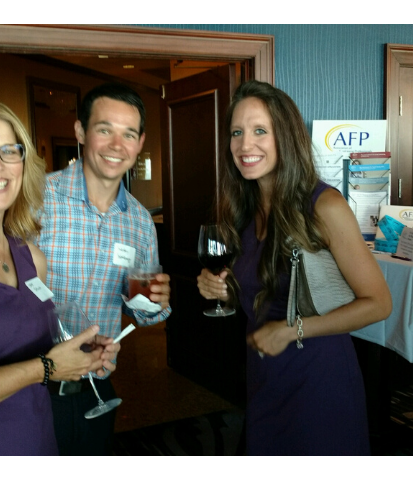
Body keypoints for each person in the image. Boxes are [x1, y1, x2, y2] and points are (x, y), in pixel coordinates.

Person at [196, 80, 392, 455]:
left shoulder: (325, 206)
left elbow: (379, 303)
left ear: (285, 136)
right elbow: (267, 291)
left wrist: (291, 330)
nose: (244, 145)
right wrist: (225, 290)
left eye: (259, 131)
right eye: (237, 132)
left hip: (318, 379)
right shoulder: (244, 211)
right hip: (266, 375)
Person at [0, 100, 120, 456]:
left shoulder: (31, 256)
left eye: (9, 151)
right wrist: (47, 367)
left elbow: (32, 348)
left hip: (39, 443)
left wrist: (79, 355)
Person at [37, 82, 172, 455]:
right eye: (104, 130)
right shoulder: (34, 199)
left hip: (96, 387)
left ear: (140, 142)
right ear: (80, 132)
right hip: (29, 388)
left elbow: (141, 314)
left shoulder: (140, 222)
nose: (117, 145)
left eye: (128, 134)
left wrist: (155, 302)